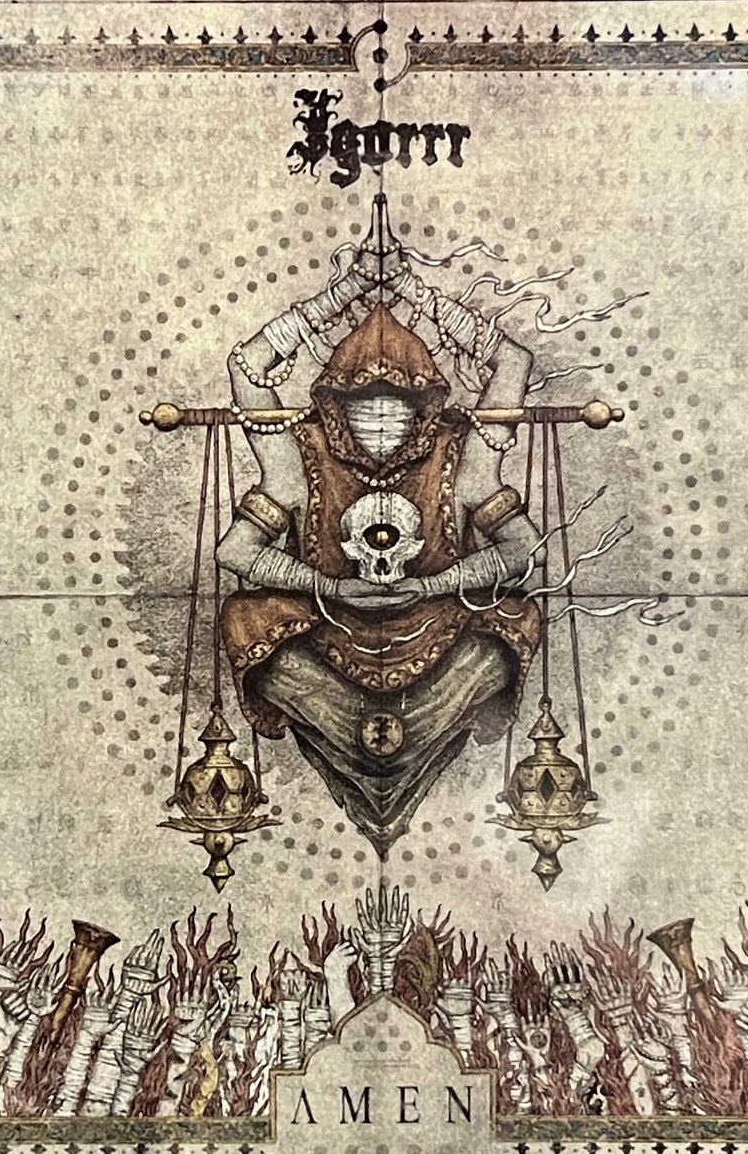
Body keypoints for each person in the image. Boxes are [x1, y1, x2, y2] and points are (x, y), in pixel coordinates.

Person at [214, 206, 543, 856]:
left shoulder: (462, 455)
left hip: (440, 643)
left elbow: (522, 547)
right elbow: (246, 373)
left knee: (515, 621)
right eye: (366, 406)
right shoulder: (298, 454)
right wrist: (347, 292)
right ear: (336, 404)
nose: (383, 420)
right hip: (324, 643)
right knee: (243, 620)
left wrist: (415, 292)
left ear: (427, 405)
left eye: (400, 406)